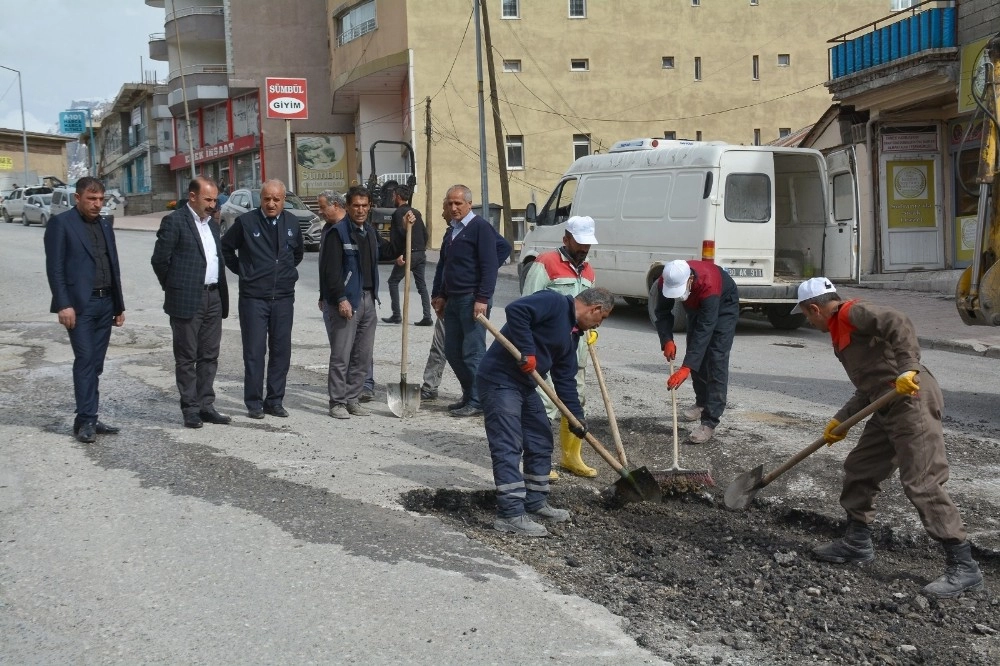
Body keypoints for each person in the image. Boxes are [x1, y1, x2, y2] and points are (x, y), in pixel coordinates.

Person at [794, 277, 984, 599]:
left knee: (922, 481)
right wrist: (841, 420)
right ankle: (856, 541)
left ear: (815, 308)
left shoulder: (851, 314)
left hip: (912, 400)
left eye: (806, 316)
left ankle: (963, 566)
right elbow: (870, 384)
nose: (808, 321)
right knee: (860, 468)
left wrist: (908, 368)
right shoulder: (841, 336)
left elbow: (899, 321)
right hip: (886, 404)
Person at [477, 287, 615, 537]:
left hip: (525, 385)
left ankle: (535, 502)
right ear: (594, 309)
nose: (599, 324)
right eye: (602, 318)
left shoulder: (572, 336)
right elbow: (516, 310)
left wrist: (575, 416)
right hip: (500, 379)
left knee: (540, 439)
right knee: (509, 444)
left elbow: (565, 379)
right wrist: (527, 351)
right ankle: (509, 514)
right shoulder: (554, 302)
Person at [43, 176, 125, 444]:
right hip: (80, 306)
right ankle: (87, 419)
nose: (97, 204)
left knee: (96, 364)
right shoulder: (61, 224)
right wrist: (63, 304)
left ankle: (87, 417)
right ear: (77, 198)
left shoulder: (104, 224)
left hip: (105, 303)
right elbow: (55, 268)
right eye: (91, 199)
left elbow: (113, 266)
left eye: (100, 199)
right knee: (86, 360)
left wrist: (118, 305)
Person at [521, 215, 600, 478]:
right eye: (579, 243)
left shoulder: (588, 270)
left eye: (588, 244)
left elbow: (590, 309)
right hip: (546, 349)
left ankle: (571, 457)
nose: (584, 249)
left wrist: (591, 332)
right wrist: (529, 347)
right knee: (544, 404)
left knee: (576, 400)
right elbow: (527, 305)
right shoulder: (546, 263)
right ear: (566, 238)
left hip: (574, 351)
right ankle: (536, 459)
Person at [150, 176, 231, 429]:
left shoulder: (213, 225)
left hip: (214, 297)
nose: (212, 204)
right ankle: (190, 409)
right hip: (186, 298)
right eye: (207, 199)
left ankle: (206, 405)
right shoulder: (174, 221)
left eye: (215, 199)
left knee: (209, 354)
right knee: (186, 357)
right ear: (192, 196)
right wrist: (175, 287)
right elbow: (159, 260)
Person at [221, 179, 303, 419]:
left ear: (283, 200)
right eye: (267, 198)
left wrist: (285, 274)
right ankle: (254, 403)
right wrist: (245, 271)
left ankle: (274, 401)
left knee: (281, 351)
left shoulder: (291, 223)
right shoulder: (246, 222)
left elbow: (296, 253)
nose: (271, 203)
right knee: (255, 352)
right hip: (253, 299)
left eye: (276, 199)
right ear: (261, 199)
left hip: (283, 299)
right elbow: (225, 248)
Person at [321, 185, 402, 419]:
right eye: (356, 205)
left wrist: (404, 227)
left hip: (369, 299)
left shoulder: (369, 231)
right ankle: (337, 402)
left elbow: (388, 250)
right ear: (347, 206)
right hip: (347, 301)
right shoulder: (338, 233)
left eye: (364, 206)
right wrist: (341, 299)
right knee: (341, 354)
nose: (360, 210)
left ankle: (352, 398)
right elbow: (331, 271)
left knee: (363, 355)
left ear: (369, 207)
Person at [431, 184, 507, 417]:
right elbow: (444, 265)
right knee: (452, 351)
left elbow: (490, 263)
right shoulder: (452, 230)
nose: (453, 208)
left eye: (458, 203)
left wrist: (482, 297)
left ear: (468, 204)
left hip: (473, 299)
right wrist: (439, 294)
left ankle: (479, 399)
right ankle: (469, 394)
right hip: (453, 299)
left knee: (473, 352)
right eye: (450, 203)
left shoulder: (480, 228)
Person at [653, 259, 739, 445]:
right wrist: (666, 339)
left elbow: (706, 328)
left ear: (690, 278)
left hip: (723, 304)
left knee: (716, 357)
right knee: (694, 348)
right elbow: (661, 312)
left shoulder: (709, 283)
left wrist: (686, 367)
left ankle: (709, 421)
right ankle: (702, 402)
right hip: (696, 306)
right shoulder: (664, 280)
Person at [382, 185, 432, 326]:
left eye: (393, 196)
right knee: (421, 285)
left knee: (393, 281)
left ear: (398, 197)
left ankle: (397, 315)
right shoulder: (415, 212)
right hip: (420, 253)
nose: (392, 198)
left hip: (408, 253)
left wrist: (400, 254)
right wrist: (421, 249)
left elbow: (400, 235)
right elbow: (425, 234)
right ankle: (427, 316)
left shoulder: (399, 213)